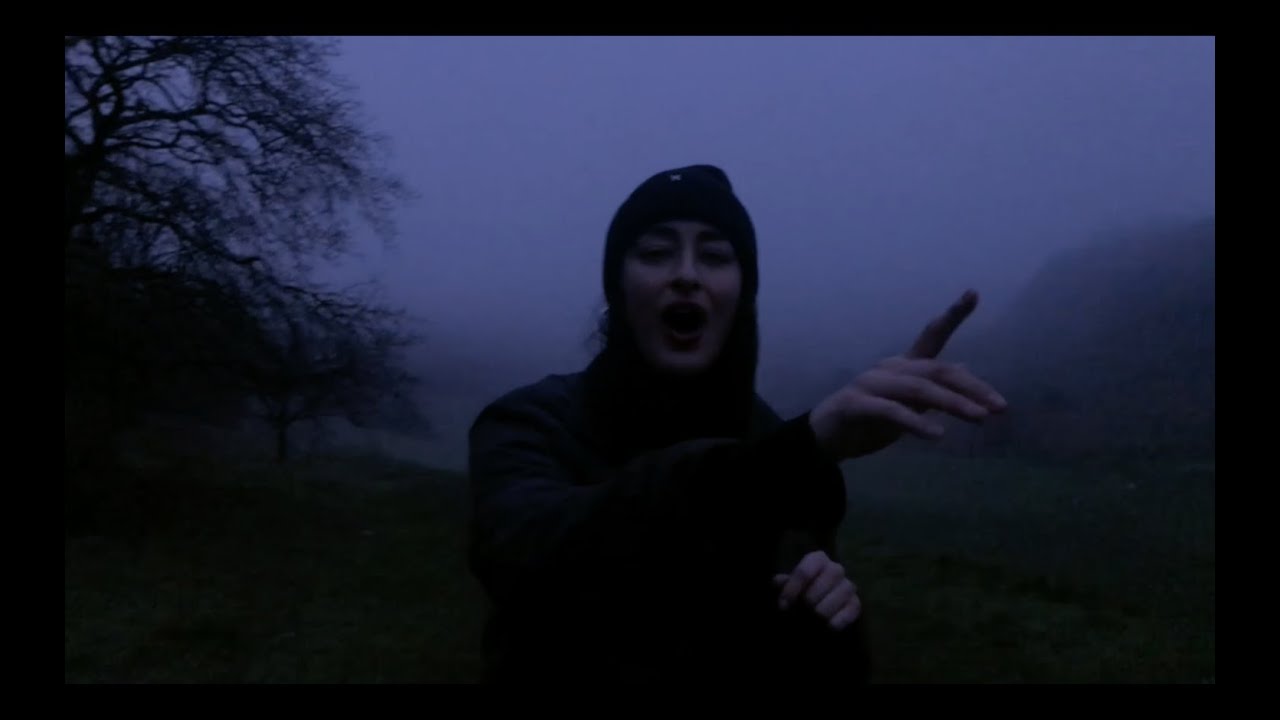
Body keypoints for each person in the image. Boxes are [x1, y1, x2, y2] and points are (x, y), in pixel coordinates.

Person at [465, 164, 1006, 684]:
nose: (686, 274)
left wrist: (823, 625)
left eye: (715, 256)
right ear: (618, 288)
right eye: (655, 253)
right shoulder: (530, 423)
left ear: (742, 294)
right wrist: (788, 457)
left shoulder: (776, 447)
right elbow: (531, 561)